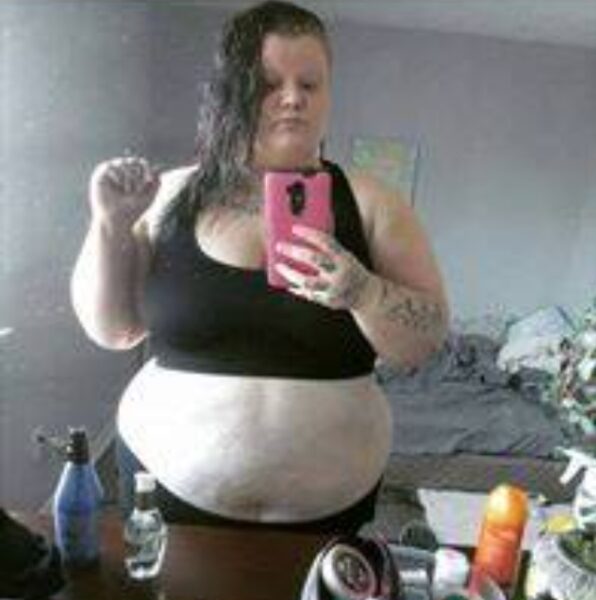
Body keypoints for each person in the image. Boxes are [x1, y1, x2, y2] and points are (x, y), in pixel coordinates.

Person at [71, 0, 449, 534]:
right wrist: (110, 224)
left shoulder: (373, 203)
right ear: (234, 90)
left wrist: (362, 292)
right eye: (271, 83)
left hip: (325, 516)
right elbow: (113, 330)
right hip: (167, 496)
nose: (293, 98)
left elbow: (426, 339)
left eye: (310, 84)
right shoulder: (169, 194)